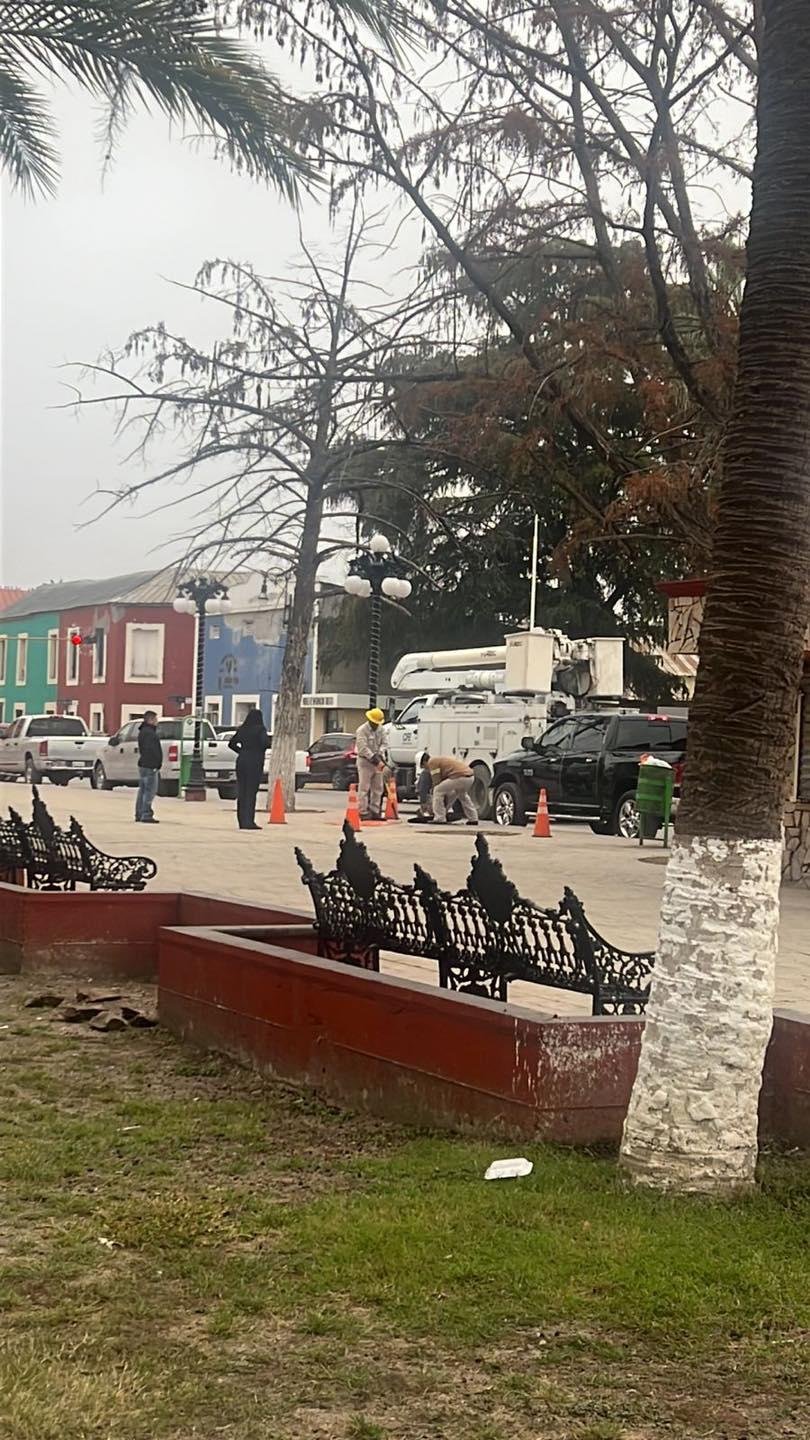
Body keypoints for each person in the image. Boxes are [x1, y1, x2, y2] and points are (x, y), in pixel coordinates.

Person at [228, 708, 270, 830]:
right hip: (255, 762)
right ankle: (249, 821)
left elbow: (231, 744)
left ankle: (241, 821)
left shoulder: (243, 729)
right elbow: (265, 743)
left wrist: (242, 751)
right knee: (251, 791)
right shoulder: (260, 729)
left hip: (242, 761)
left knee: (242, 791)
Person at [416, 753, 478, 825]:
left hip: (460, 777)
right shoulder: (438, 760)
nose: (426, 769)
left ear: (424, 762)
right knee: (462, 796)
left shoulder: (432, 762)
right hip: (469, 777)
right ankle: (473, 819)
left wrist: (431, 801)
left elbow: (437, 782)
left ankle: (439, 818)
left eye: (423, 767)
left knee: (437, 790)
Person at [355, 707, 387, 819]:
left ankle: (375, 810)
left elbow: (384, 743)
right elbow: (363, 748)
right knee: (364, 787)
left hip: (377, 761)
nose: (376, 725)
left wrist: (380, 754)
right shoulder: (362, 730)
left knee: (378, 787)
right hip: (365, 761)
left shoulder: (381, 729)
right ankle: (363, 811)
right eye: (374, 723)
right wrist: (374, 758)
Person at [136, 711, 163, 823]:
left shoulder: (143, 732)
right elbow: (152, 750)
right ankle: (146, 814)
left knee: (142, 790)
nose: (157, 722)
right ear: (150, 720)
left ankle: (139, 813)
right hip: (150, 765)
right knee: (149, 791)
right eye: (155, 719)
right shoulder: (150, 734)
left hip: (143, 764)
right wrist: (156, 763)